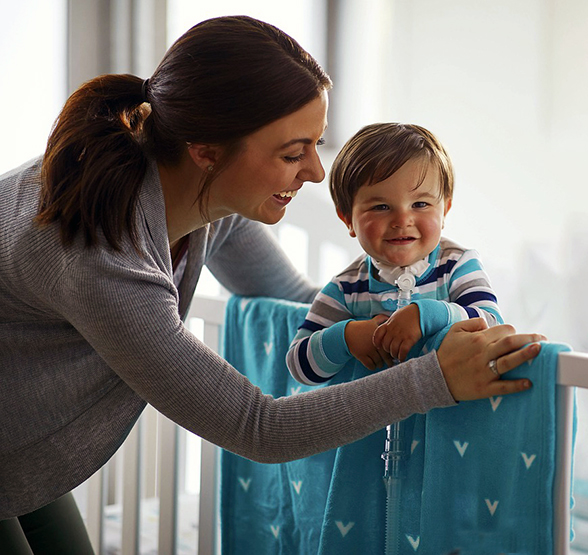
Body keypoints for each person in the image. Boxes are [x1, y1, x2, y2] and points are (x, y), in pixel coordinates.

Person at [0, 15, 542, 552]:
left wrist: (412, 313)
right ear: (206, 150)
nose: (314, 172)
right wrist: (436, 378)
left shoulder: (205, 199)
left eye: (315, 143)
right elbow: (258, 427)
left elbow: (303, 305)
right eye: (292, 152)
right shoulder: (102, 262)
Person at [287, 123, 506, 384]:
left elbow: (492, 325)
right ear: (347, 219)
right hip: (373, 421)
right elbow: (299, 366)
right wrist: (346, 338)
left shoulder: (458, 265)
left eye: (420, 204)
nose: (402, 220)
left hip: (444, 420)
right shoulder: (347, 287)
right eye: (381, 206)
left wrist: (427, 315)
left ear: (444, 210)